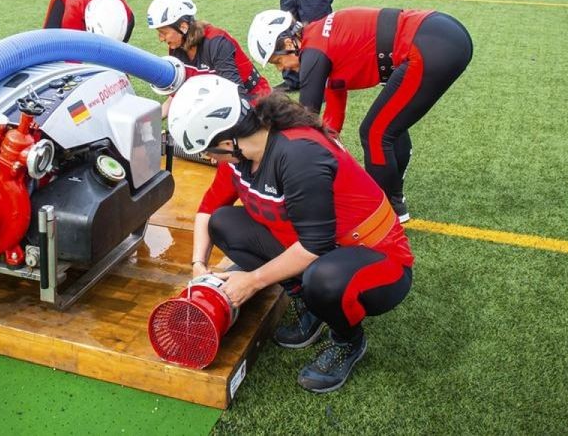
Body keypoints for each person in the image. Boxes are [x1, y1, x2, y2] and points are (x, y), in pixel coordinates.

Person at [169, 77, 413, 393]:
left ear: (228, 142)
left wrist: (252, 280)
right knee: (223, 222)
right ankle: (309, 303)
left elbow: (315, 246)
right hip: (324, 247)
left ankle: (347, 341)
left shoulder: (298, 155)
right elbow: (208, 209)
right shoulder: (244, 150)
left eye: (208, 151)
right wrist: (198, 265)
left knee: (323, 280)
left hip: (380, 259)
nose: (210, 159)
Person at [247, 7, 473, 221]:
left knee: (375, 133)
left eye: (278, 61)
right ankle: (394, 198)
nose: (282, 69)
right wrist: (332, 148)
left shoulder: (314, 52)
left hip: (431, 45)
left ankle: (386, 210)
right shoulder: (318, 43)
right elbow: (331, 118)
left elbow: (305, 120)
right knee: (389, 127)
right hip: (440, 34)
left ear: (289, 42)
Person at [147, 0, 270, 115]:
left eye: (163, 33)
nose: (161, 39)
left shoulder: (217, 42)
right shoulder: (176, 48)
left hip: (253, 99)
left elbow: (237, 96)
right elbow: (177, 94)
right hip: (218, 101)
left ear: (183, 27)